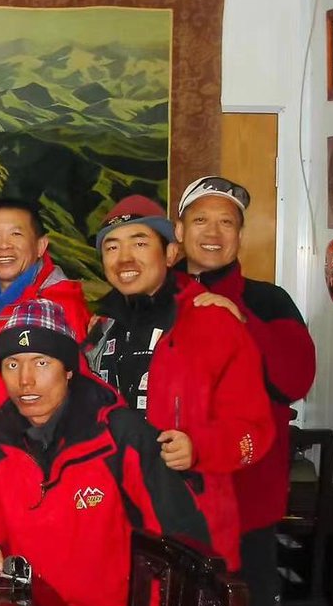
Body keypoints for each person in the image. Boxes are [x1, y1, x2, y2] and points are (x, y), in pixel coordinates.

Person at [0, 300, 210, 606]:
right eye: (12, 364)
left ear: (69, 369)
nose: (25, 380)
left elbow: (182, 536)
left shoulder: (118, 434)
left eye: (42, 363)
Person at [174, 175, 317, 606]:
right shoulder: (157, 298)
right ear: (179, 229)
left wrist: (240, 321)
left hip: (246, 504)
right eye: (201, 219)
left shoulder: (269, 301)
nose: (213, 232)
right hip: (170, 503)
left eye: (226, 222)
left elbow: (295, 379)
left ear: (239, 234)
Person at [85, 195, 274, 571]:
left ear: (171, 253)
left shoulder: (214, 323)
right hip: (104, 518)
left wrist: (198, 448)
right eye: (112, 245)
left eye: (140, 243)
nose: (124, 258)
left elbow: (256, 431)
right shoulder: (96, 330)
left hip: (188, 518)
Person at [0, 197, 89, 425]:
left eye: (16, 234)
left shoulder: (58, 307)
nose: (4, 245)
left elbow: (80, 393)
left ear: (40, 246)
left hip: (27, 453)